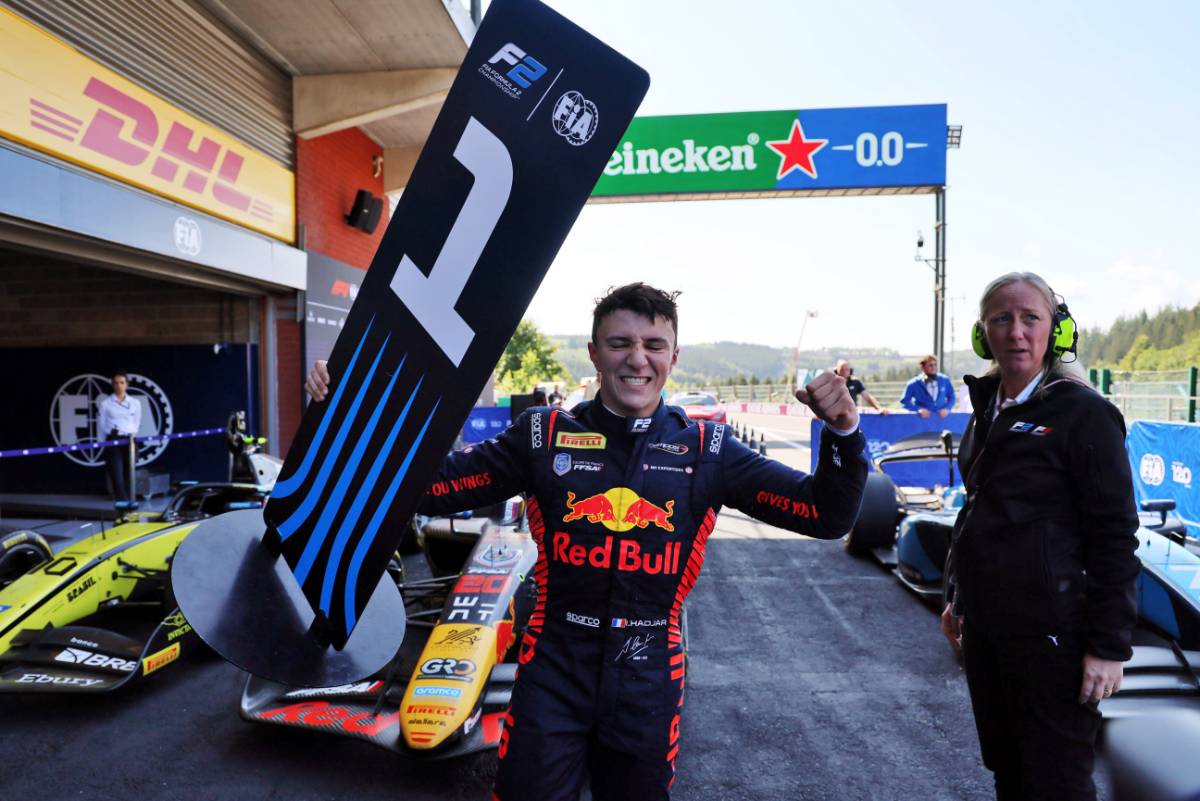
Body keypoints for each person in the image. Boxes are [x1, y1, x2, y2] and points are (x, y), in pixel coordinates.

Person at [305, 282, 868, 801]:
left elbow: (824, 514)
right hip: (554, 665)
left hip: (648, 670)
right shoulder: (543, 435)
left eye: (654, 344)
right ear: (595, 353)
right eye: (620, 343)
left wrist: (842, 432)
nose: (637, 358)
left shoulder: (709, 448)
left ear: (674, 356)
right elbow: (427, 489)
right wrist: (338, 414)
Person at [939, 272, 1139, 801]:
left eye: (1031, 318)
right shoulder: (989, 408)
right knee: (1009, 768)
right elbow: (979, 513)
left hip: (1056, 639)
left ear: (1056, 331)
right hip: (989, 630)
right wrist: (958, 597)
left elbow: (1115, 536)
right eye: (1001, 319)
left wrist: (1107, 647)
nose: (1016, 332)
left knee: (1057, 782)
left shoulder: (1085, 413)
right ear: (984, 334)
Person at [97, 370, 141, 502]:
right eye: (116, 383)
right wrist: (104, 442)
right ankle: (124, 507)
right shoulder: (106, 404)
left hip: (130, 440)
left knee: (129, 475)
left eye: (122, 383)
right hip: (113, 441)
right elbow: (101, 424)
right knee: (117, 476)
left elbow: (136, 422)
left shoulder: (135, 403)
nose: (119, 386)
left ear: (126, 384)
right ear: (112, 385)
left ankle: (130, 503)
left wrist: (130, 433)